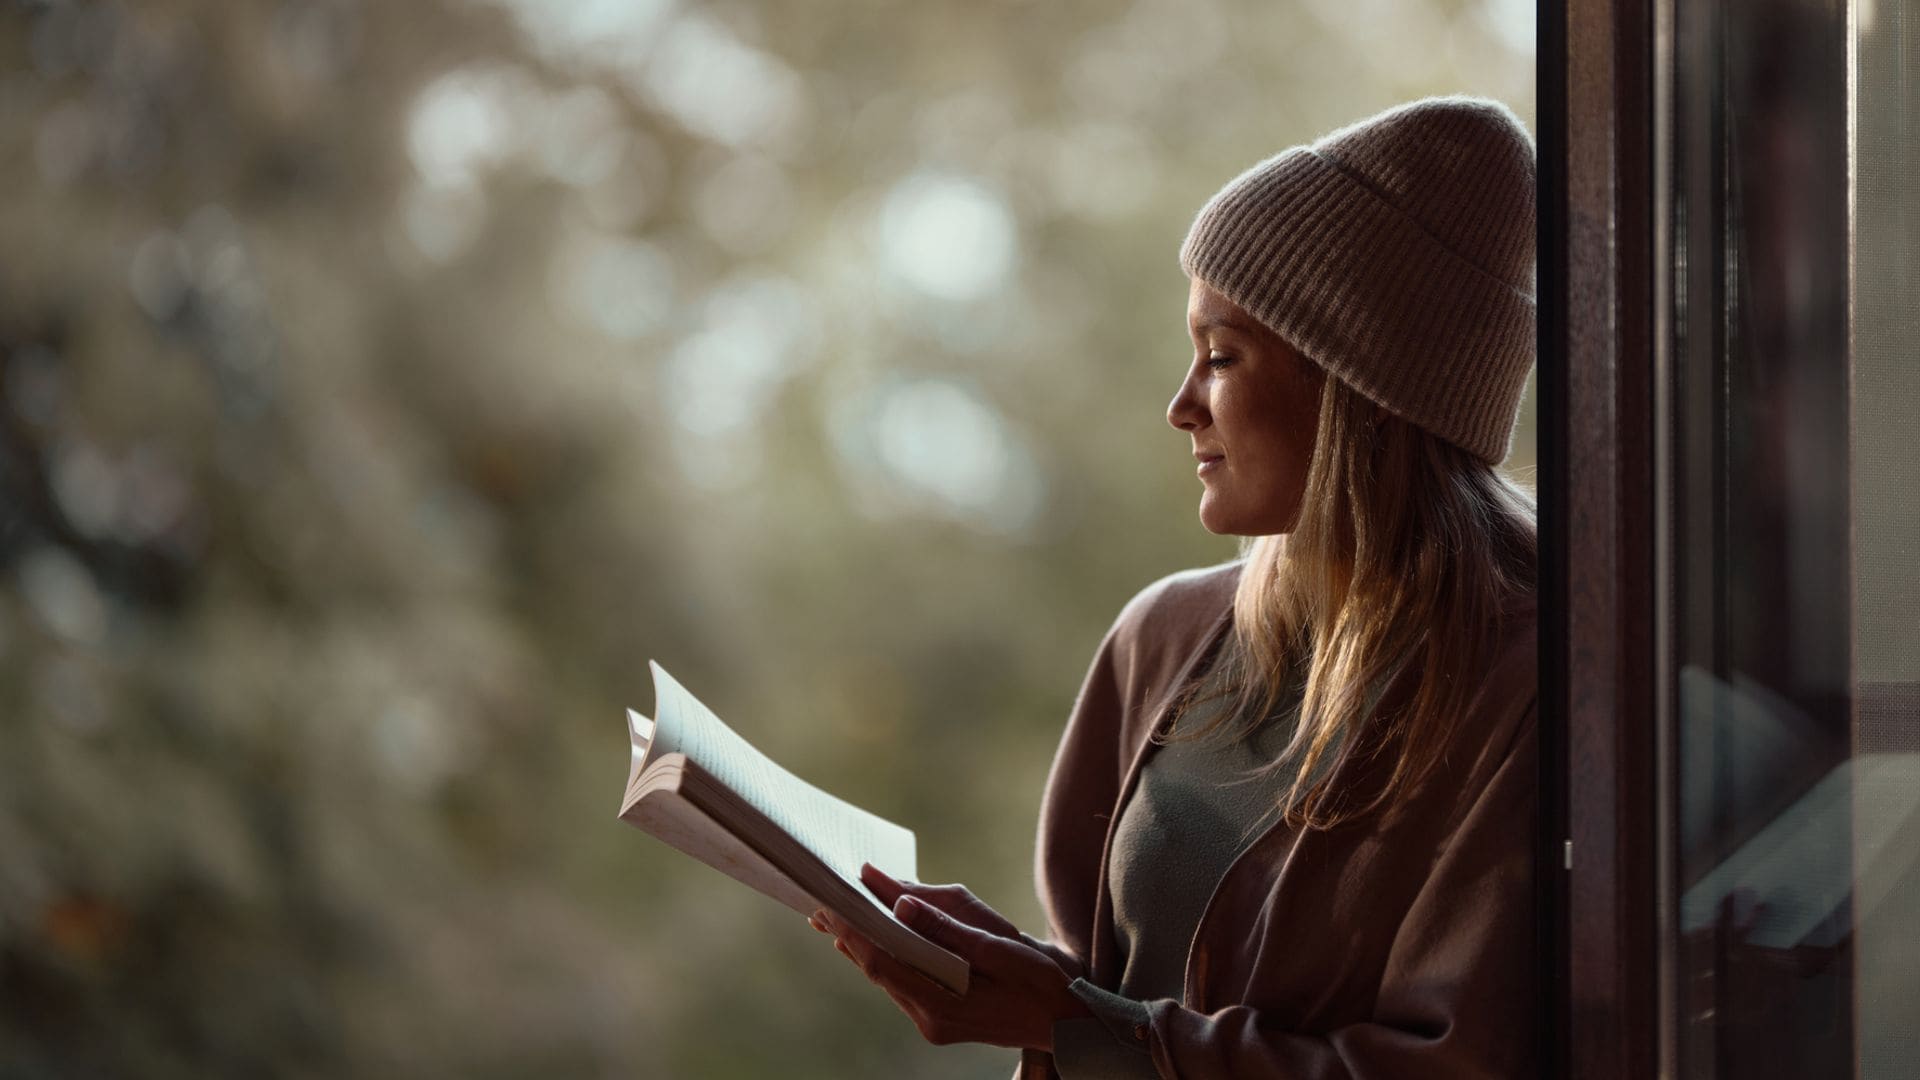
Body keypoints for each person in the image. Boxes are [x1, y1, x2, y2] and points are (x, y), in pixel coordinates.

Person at [814, 95, 1541, 1078]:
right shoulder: (1164, 640)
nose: (1180, 406)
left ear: (1363, 390)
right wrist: (1023, 989)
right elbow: (1088, 977)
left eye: (1222, 355)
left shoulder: (1523, 686)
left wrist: (1084, 1021)